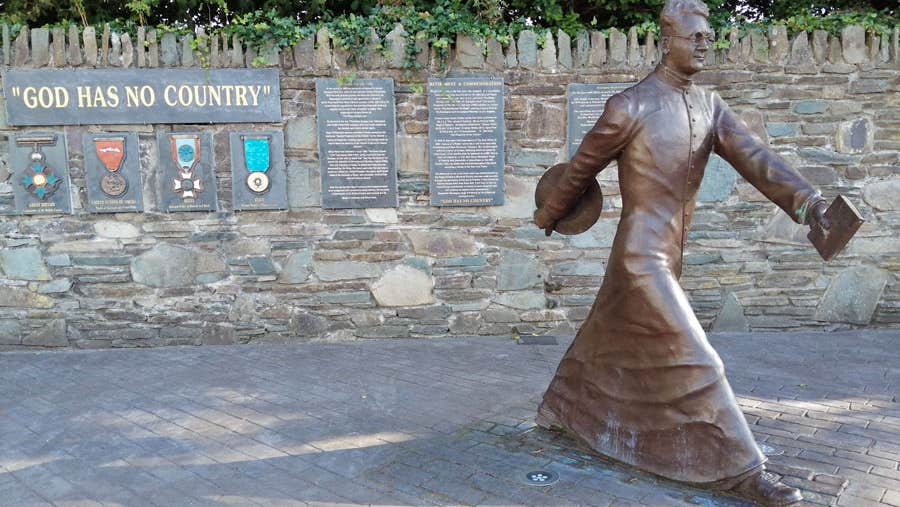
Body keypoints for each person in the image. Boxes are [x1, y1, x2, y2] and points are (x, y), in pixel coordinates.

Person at [532, 0, 831, 505]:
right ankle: (742, 469)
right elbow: (580, 170)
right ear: (664, 41)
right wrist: (548, 215)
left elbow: (757, 159)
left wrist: (809, 204)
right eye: (693, 36)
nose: (703, 44)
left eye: (706, 37)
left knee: (604, 343)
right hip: (639, 257)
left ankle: (564, 408)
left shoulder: (711, 107)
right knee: (698, 362)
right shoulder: (628, 106)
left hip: (670, 255)